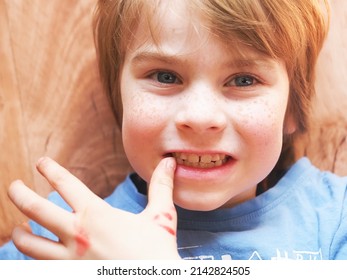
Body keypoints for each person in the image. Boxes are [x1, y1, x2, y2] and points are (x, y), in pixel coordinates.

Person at [1, 0, 346, 260]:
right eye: (165, 76)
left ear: (293, 109)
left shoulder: (336, 219)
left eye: (243, 80)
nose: (200, 117)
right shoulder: (66, 232)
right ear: (121, 98)